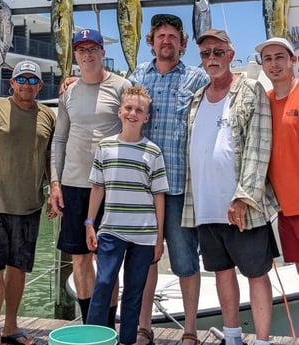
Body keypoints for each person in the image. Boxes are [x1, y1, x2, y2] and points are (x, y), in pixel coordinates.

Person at [181, 29, 279, 345]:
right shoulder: (196, 98)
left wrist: (243, 197)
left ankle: (262, 340)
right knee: (221, 273)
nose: (212, 59)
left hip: (242, 207)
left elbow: (259, 147)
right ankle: (234, 337)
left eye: (218, 52)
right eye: (206, 54)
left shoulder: (250, 90)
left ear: (230, 55)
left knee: (256, 274)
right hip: (206, 206)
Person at [129, 14, 209, 345]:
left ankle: (190, 330)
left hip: (179, 188)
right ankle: (144, 327)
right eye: (160, 35)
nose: (166, 40)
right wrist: (72, 81)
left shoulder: (197, 77)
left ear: (182, 43)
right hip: (142, 189)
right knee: (145, 260)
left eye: (172, 36)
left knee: (186, 262)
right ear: (151, 41)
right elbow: (116, 103)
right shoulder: (136, 76)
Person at [0, 60, 56, 345]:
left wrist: (54, 191)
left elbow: (49, 159)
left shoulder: (48, 116)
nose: (27, 85)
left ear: (40, 85)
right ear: (12, 83)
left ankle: (11, 327)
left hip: (29, 206)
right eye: (22, 79)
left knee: (19, 269)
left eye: (33, 80)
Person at [49, 29, 132, 326]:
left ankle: (108, 325)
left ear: (102, 52)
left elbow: (134, 131)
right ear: (75, 55)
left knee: (108, 263)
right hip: (73, 186)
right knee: (81, 259)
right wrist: (55, 183)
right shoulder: (68, 91)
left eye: (93, 48)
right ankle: (89, 326)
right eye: (81, 50)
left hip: (111, 188)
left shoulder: (122, 86)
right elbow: (59, 139)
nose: (87, 55)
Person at [85, 85, 169, 345]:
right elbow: (98, 187)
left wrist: (159, 238)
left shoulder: (153, 152)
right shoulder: (105, 147)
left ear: (147, 117)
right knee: (104, 284)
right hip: (111, 229)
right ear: (120, 111)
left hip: (144, 235)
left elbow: (159, 196)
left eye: (139, 110)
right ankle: (93, 339)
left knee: (134, 291)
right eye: (129, 108)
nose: (133, 113)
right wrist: (89, 222)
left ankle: (128, 340)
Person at [255, 37, 299, 274]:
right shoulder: (264, 102)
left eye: (280, 57)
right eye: (268, 59)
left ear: (293, 60)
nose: (274, 64)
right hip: (284, 208)